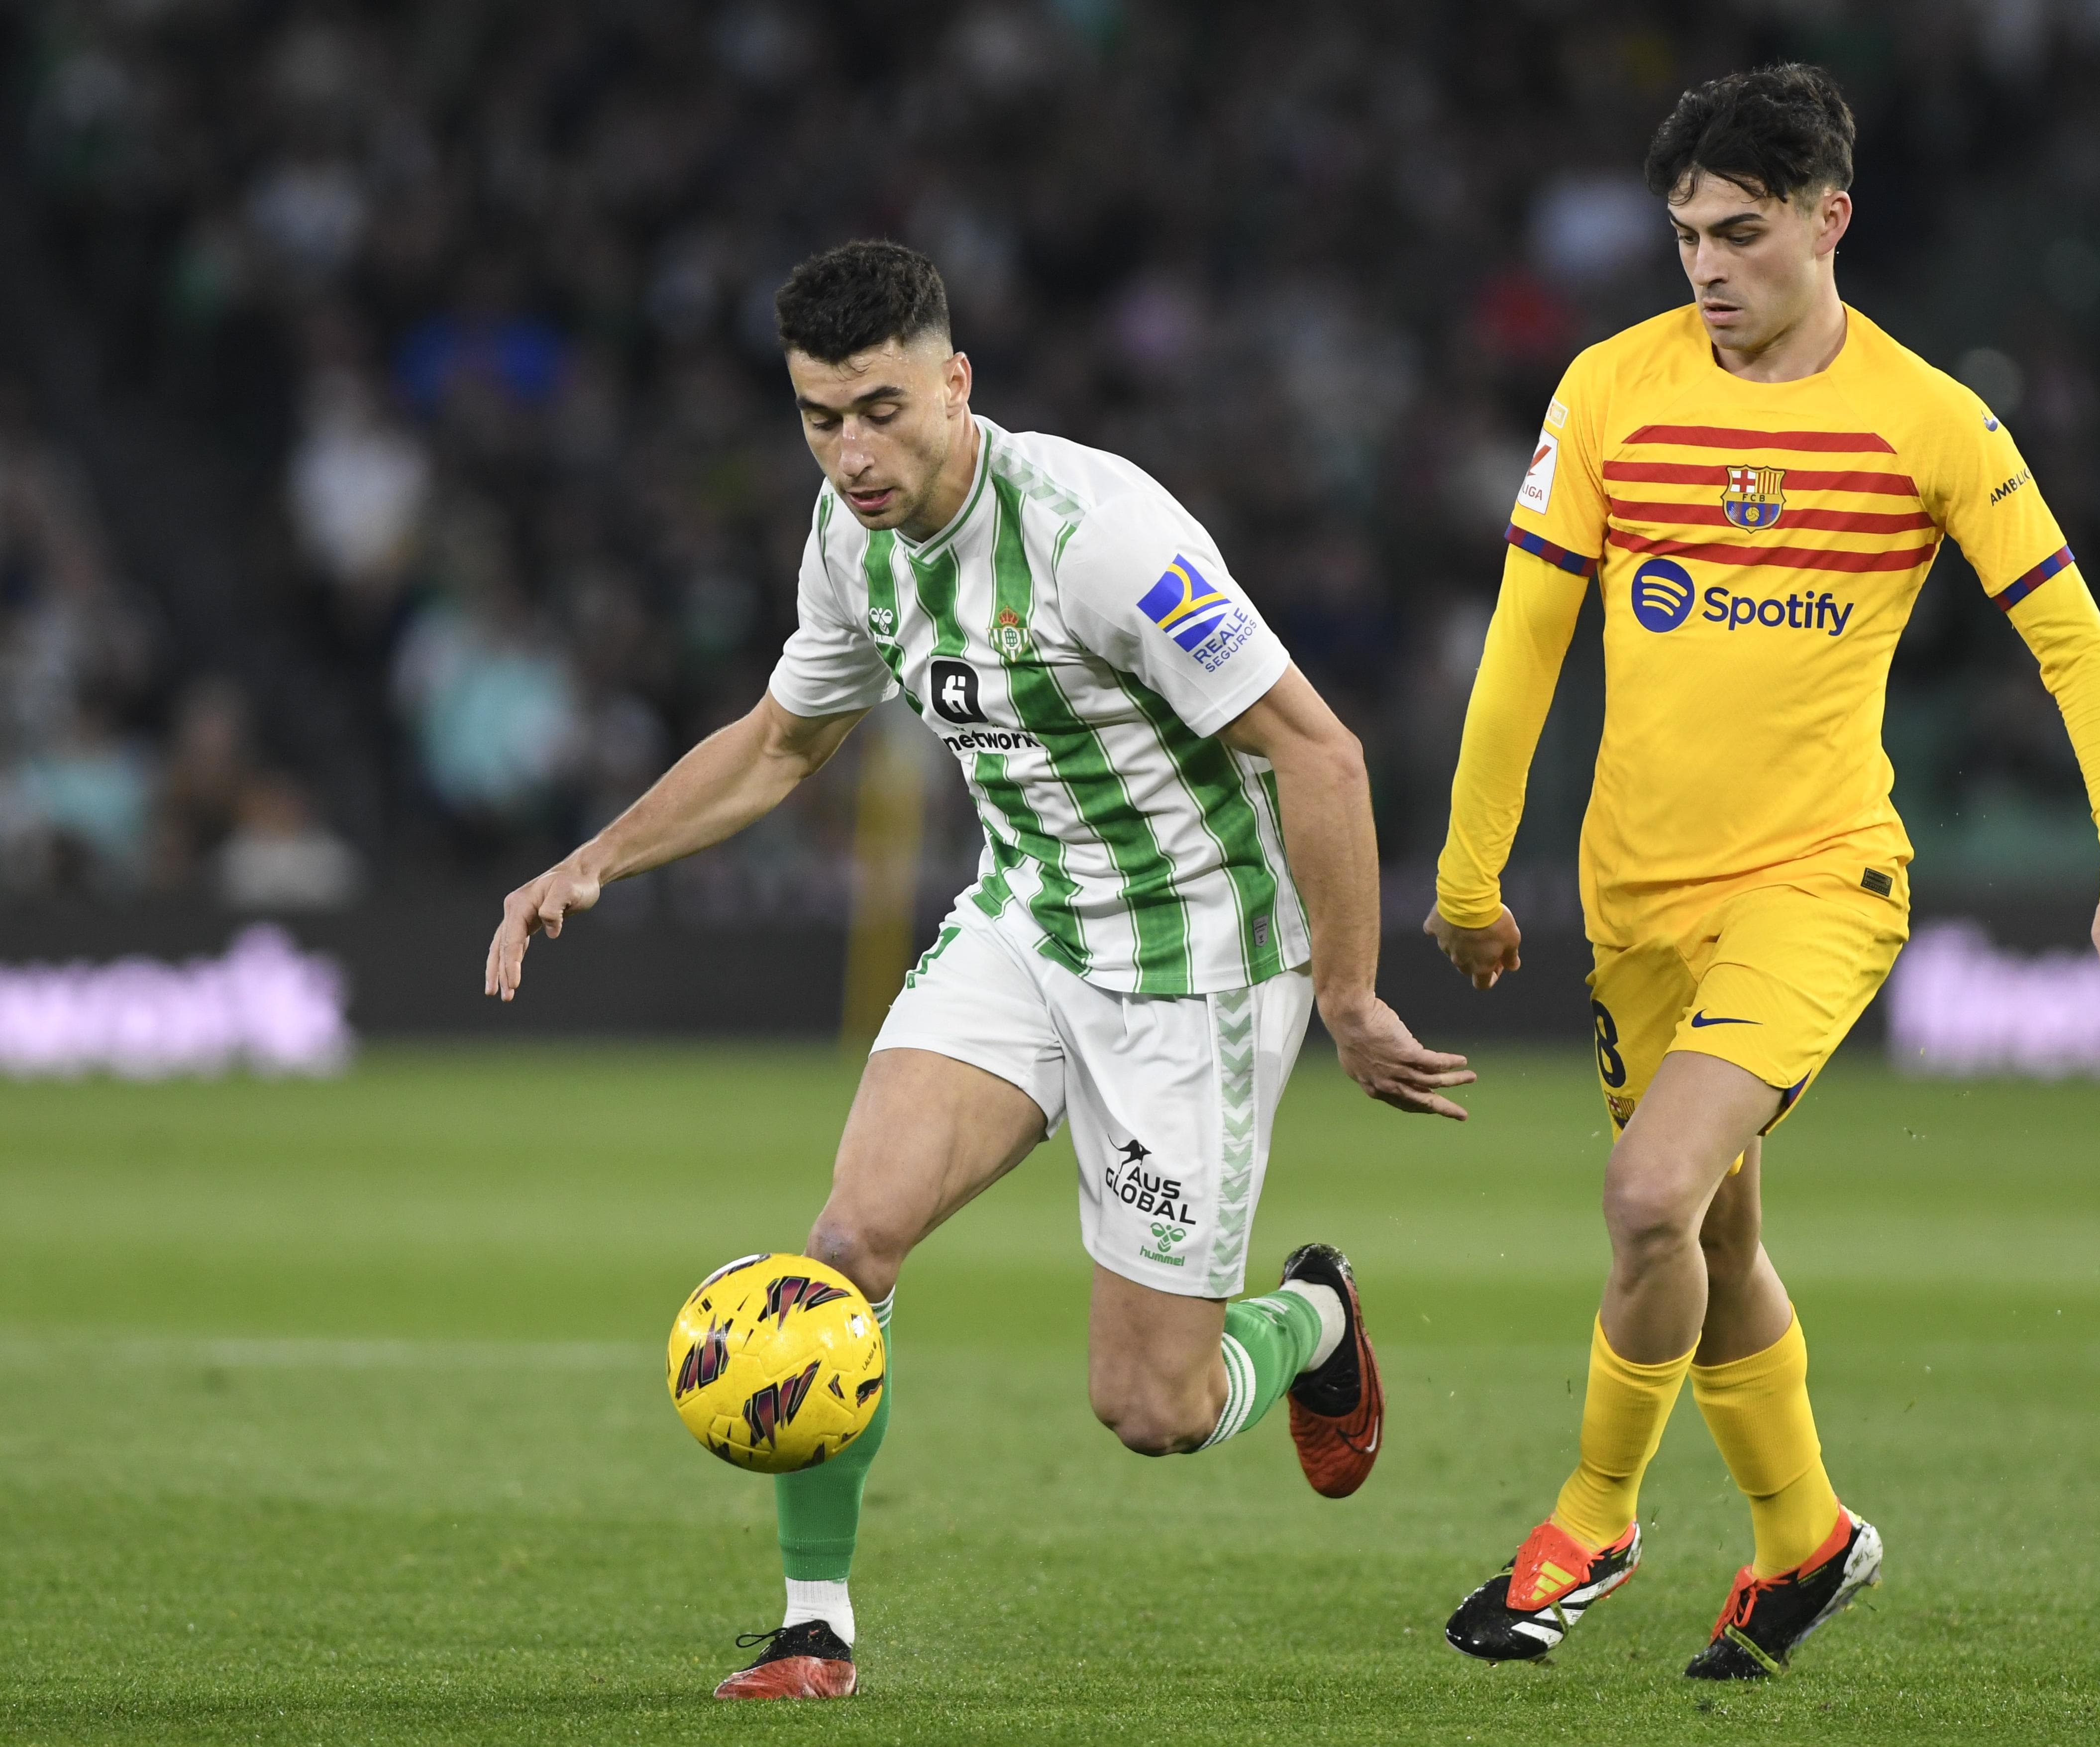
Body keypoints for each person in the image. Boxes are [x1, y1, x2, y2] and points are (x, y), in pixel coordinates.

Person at [484, 241, 1471, 1701]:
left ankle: (1314, 1317)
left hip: (1189, 964)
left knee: (1152, 1409)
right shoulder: (846, 537)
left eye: (880, 409)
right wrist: (595, 859)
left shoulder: (1096, 532)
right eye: (820, 417)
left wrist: (1344, 992)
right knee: (842, 1251)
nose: (851, 451)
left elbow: (1319, 752)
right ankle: (814, 1627)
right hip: (1024, 924)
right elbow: (778, 741)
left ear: (957, 384)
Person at [1427, 66, 2100, 1681]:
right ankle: (1806, 1545)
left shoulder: (1931, 420)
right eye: (1681, 237)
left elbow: (2075, 650)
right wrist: (1466, 869)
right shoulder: (1607, 389)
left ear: (1824, 220)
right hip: (1635, 903)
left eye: (1736, 233)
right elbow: (1525, 644)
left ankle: (1591, 1523)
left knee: (1646, 1194)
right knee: (1707, 1247)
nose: (1703, 267)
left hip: (1819, 881)